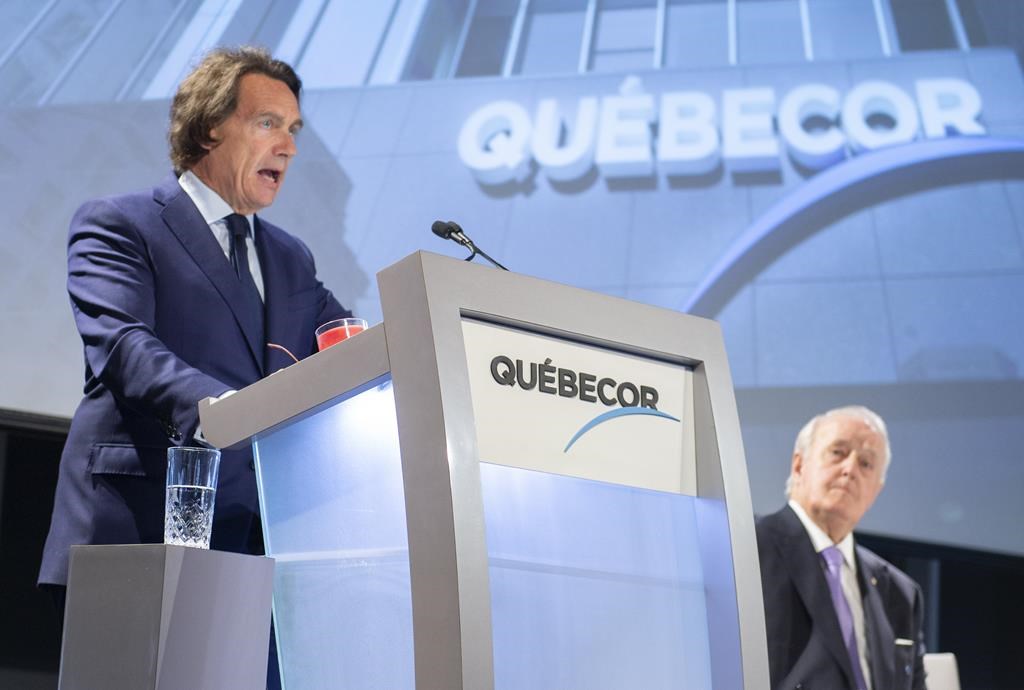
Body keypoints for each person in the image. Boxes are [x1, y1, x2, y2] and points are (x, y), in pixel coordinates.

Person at [38, 46, 349, 681]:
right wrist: (233, 413)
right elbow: (124, 346)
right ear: (210, 127)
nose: (287, 146)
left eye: (294, 130)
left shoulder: (291, 259)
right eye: (268, 123)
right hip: (144, 533)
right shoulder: (121, 225)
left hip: (256, 552)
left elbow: (347, 345)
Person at [756, 405, 926, 690]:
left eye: (866, 464)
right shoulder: (749, 548)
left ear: (876, 490)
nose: (850, 470)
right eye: (838, 452)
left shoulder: (900, 593)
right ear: (799, 466)